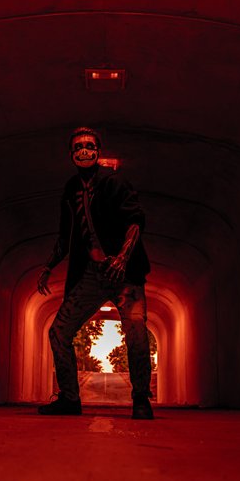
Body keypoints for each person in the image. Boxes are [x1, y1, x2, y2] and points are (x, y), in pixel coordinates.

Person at [37, 127, 153, 419]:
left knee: (136, 332)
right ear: (71, 154)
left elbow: (135, 221)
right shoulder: (70, 190)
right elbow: (66, 235)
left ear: (98, 151)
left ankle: (141, 399)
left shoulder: (115, 182)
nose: (84, 151)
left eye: (89, 145)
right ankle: (69, 399)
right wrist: (49, 266)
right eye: (78, 147)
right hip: (91, 274)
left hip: (126, 274)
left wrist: (123, 259)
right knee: (59, 331)